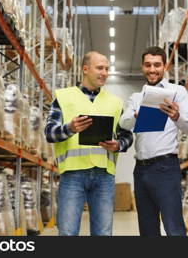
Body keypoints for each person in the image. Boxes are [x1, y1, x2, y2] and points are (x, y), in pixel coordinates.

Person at [44, 51, 133, 236]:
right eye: (100, 68)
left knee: (103, 233)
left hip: (104, 176)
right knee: (67, 233)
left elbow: (127, 135)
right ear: (85, 69)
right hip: (72, 175)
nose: (104, 73)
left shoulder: (115, 103)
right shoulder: (63, 97)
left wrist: (118, 145)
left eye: (107, 69)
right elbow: (49, 133)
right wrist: (70, 128)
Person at [119, 46, 188, 236]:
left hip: (165, 167)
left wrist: (177, 115)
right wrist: (137, 114)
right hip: (141, 169)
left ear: (165, 66)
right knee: (147, 229)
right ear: (142, 67)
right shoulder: (136, 97)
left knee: (173, 227)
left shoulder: (177, 91)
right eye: (148, 65)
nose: (152, 69)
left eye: (157, 65)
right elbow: (124, 123)